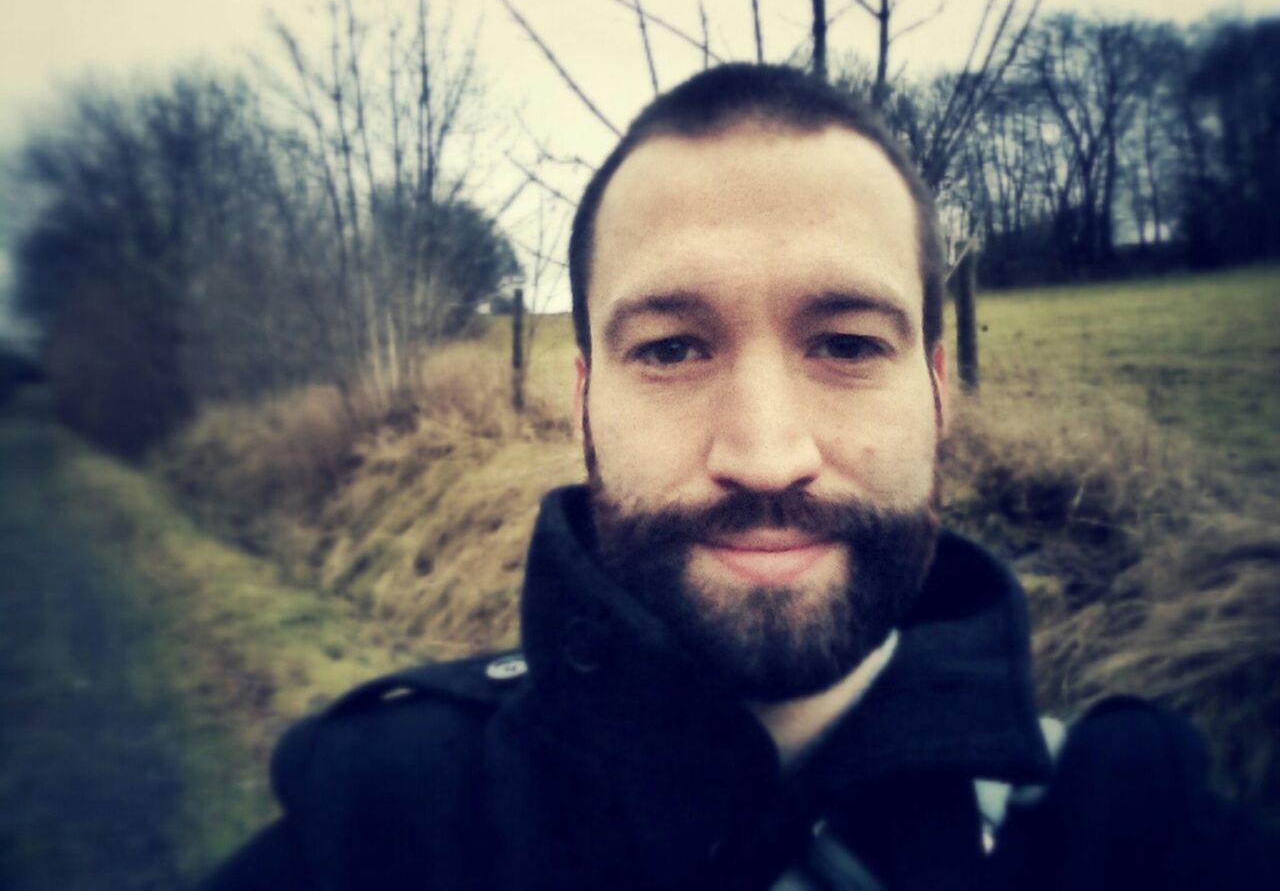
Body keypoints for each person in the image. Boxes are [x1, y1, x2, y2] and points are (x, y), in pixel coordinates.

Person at [204, 64, 1275, 890]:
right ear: (580, 400)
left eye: (847, 344)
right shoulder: (387, 821)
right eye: (671, 349)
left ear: (938, 392)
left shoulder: (1131, 830)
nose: (764, 455)